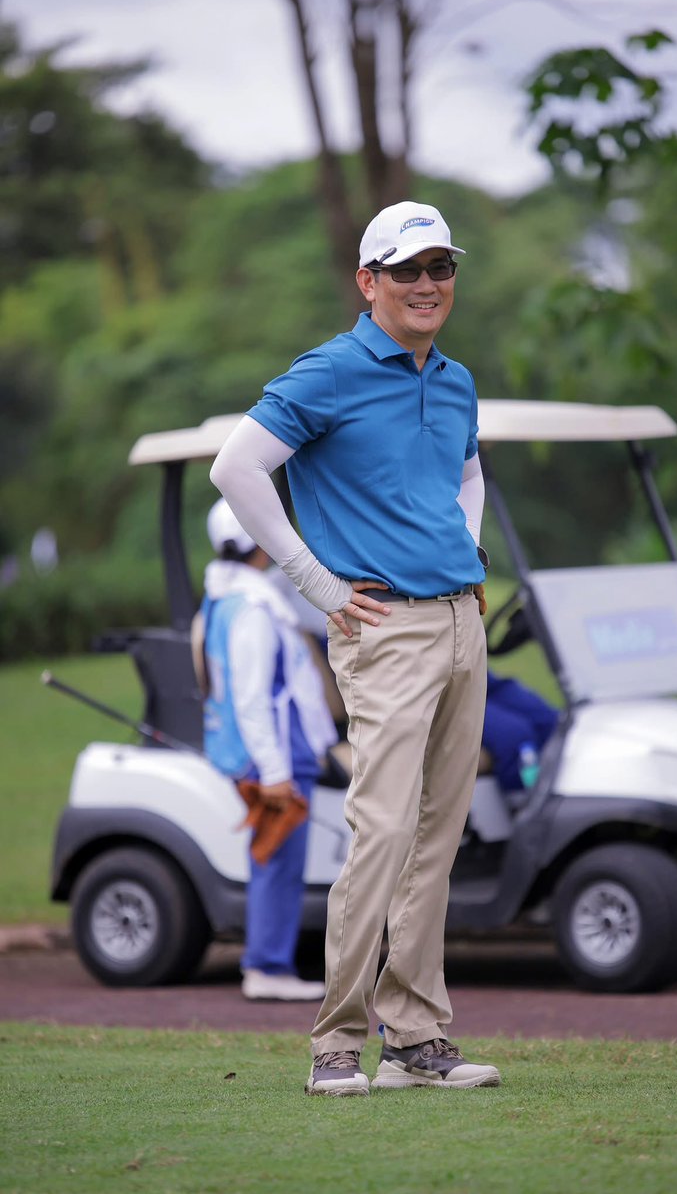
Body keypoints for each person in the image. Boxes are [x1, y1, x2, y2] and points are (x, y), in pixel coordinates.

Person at [210, 200, 500, 1095]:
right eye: (406, 270)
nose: (427, 284)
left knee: (436, 838)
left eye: (440, 267)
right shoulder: (330, 371)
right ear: (368, 282)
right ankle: (335, 1042)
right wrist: (317, 583)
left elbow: (468, 473)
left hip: (459, 622)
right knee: (381, 832)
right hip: (383, 629)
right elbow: (235, 467)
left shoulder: (454, 379)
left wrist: (466, 551)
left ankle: (414, 1038)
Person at [197, 497, 337, 1002]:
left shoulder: (228, 594)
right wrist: (276, 772)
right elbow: (252, 701)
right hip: (275, 756)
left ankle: (268, 961)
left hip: (269, 752)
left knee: (275, 859)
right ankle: (267, 967)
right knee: (278, 861)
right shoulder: (252, 611)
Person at [481, 671, 560, 792]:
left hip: (476, 676)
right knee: (515, 740)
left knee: (553, 723)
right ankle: (530, 797)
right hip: (452, 697)